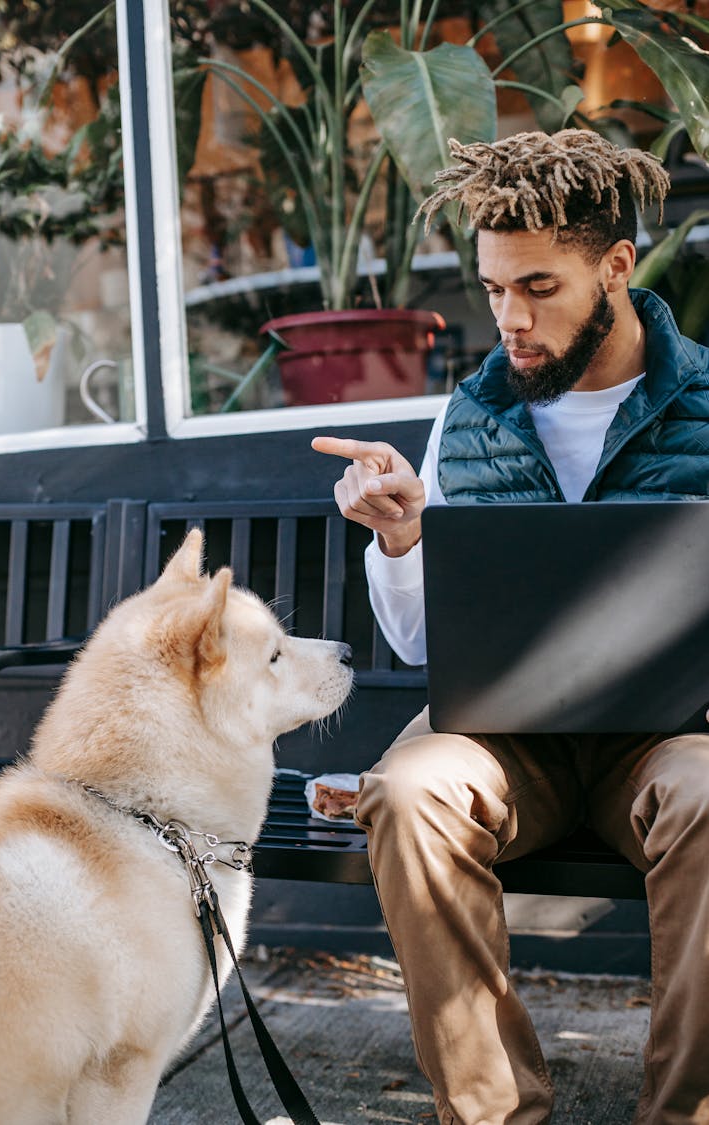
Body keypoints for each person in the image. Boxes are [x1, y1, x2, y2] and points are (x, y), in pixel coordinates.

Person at [312, 129, 709, 1125]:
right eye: (493, 290)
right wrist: (402, 540)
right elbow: (416, 647)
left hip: (672, 737)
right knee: (407, 792)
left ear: (618, 265)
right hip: (504, 739)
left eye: (538, 287)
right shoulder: (471, 417)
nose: (509, 319)